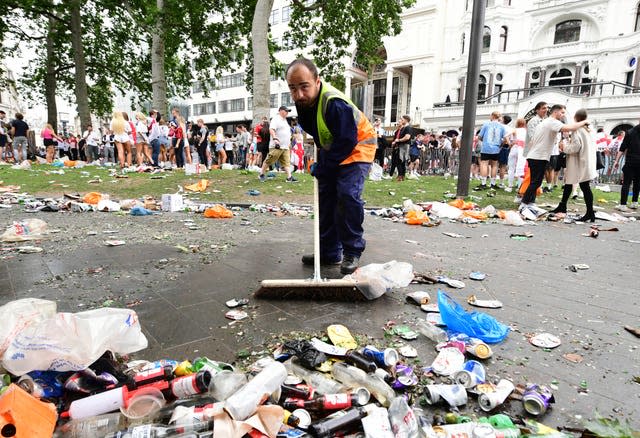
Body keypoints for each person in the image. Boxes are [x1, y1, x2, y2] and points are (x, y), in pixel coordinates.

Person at [286, 57, 376, 274]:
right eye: (293, 88)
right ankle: (329, 252)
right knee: (325, 199)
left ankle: (352, 251)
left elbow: (347, 141)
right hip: (333, 150)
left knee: (346, 195)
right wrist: (323, 166)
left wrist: (326, 168)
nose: (299, 94)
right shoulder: (303, 104)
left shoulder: (335, 103)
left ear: (317, 82)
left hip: (357, 150)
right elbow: (320, 134)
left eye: (304, 87)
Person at [520, 104, 589, 213]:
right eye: (562, 113)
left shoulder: (546, 121)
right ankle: (524, 204)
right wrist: (584, 122)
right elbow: (570, 128)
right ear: (555, 112)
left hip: (537, 155)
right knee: (536, 182)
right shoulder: (552, 121)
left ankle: (530, 202)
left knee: (535, 181)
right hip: (538, 156)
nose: (563, 115)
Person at [550, 109, 597, 222]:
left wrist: (564, 147)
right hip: (585, 159)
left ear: (576, 117)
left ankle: (590, 212)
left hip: (579, 160)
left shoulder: (577, 130)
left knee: (584, 186)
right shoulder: (590, 130)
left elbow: (576, 147)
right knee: (569, 182)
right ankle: (563, 205)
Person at [259, 105, 297, 182]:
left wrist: (289, 143)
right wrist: (275, 138)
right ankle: (261, 174)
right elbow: (272, 129)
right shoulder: (276, 119)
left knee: (286, 162)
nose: (287, 113)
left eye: (288, 111)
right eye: (286, 111)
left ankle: (289, 177)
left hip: (285, 146)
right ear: (280, 111)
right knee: (269, 160)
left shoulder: (285, 120)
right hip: (277, 145)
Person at [474, 111, 510, 190]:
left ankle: (483, 183)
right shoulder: (502, 126)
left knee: (484, 164)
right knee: (494, 165)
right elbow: (505, 138)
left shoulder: (486, 124)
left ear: (493, 116)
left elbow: (479, 137)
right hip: (496, 148)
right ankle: (492, 183)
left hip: (486, 147)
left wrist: (485, 141)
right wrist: (500, 145)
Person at [613, 122, 640, 211]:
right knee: (637, 182)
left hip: (631, 161)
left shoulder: (630, 132)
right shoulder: (630, 132)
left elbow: (622, 148)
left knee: (626, 183)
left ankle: (623, 204)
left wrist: (616, 161)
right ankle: (634, 202)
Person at [506, 118, 527, 192]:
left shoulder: (515, 130)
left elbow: (506, 135)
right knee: (521, 168)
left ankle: (510, 186)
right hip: (523, 149)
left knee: (511, 168)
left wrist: (510, 143)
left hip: (515, 148)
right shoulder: (526, 131)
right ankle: (519, 187)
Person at [390, 115, 412, 181]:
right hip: (401, 146)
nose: (401, 120)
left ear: (406, 120)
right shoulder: (403, 128)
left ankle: (400, 176)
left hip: (404, 146)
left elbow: (407, 137)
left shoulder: (408, 128)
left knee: (399, 161)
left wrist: (398, 140)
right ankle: (401, 176)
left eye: (402, 119)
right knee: (400, 161)